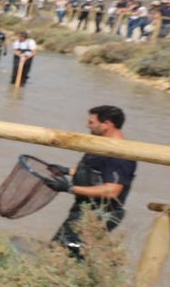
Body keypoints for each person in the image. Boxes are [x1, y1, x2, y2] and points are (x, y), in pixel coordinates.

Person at [47, 106, 137, 261]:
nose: (87, 126)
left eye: (91, 122)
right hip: (85, 209)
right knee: (60, 250)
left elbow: (112, 190)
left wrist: (69, 188)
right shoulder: (101, 145)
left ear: (107, 124)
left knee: (65, 253)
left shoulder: (120, 153)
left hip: (99, 214)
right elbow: (95, 173)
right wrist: (66, 171)